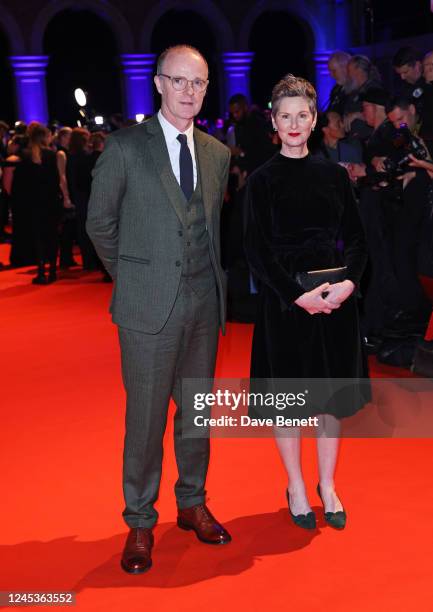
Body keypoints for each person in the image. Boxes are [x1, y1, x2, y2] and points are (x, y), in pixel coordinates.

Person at [87, 44, 232, 574]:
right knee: (145, 422)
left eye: (198, 83)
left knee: (197, 415)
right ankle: (140, 522)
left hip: (202, 303)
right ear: (158, 83)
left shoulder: (217, 153)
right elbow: (99, 224)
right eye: (179, 81)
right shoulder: (125, 148)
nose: (189, 92)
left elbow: (210, 229)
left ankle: (192, 503)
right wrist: (135, 277)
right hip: (147, 310)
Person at [244, 74, 368, 531]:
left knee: (330, 401)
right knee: (290, 402)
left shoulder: (335, 177)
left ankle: (328, 483)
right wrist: (297, 296)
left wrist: (349, 284)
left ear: (314, 120)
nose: (294, 124)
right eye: (285, 116)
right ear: (273, 122)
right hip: (285, 305)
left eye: (302, 115)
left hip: (335, 302)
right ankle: (296, 484)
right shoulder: (260, 182)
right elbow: (255, 252)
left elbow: (356, 241)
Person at [11, 123, 62, 283]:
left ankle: (41, 270)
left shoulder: (25, 155)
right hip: (51, 200)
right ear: (45, 137)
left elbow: (19, 183)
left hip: (33, 202)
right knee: (52, 235)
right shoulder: (52, 155)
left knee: (38, 237)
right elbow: (57, 179)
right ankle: (53, 270)